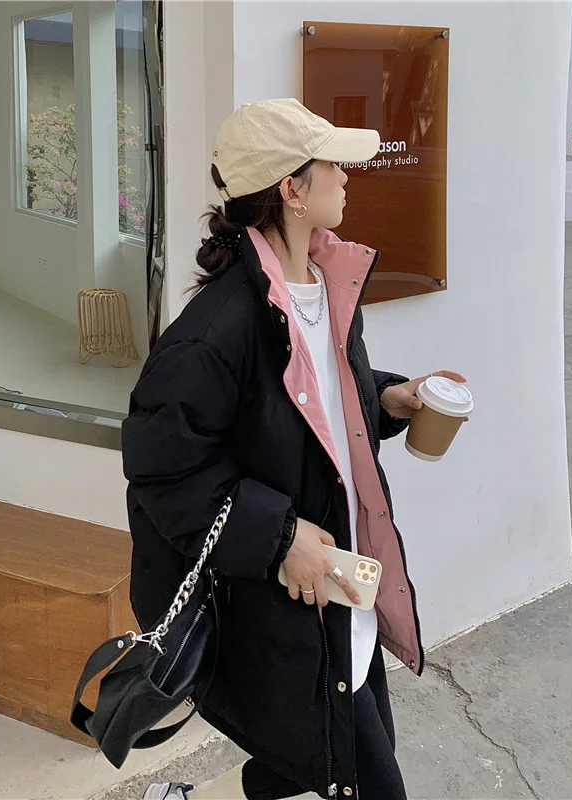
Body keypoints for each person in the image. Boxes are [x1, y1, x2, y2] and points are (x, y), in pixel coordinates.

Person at [123, 98, 467, 800]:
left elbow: (311, 400)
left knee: (301, 767)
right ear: (292, 189)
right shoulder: (213, 332)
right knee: (358, 777)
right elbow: (163, 470)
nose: (347, 176)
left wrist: (387, 398)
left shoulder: (323, 284)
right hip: (290, 608)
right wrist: (280, 536)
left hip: (347, 587)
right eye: (332, 164)